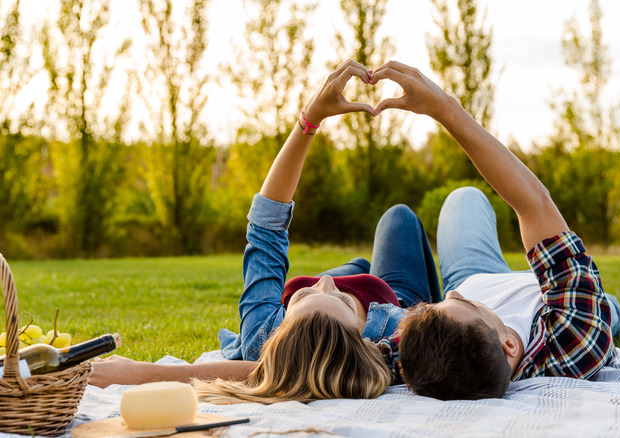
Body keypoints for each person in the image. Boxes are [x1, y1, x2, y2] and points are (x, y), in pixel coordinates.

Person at [89, 60, 440, 403]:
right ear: (365, 345)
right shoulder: (399, 338)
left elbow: (266, 225)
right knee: (398, 217)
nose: (325, 282)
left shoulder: (262, 335)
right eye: (343, 300)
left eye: (298, 299)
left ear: (280, 328)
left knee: (350, 269)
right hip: (393, 295)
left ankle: (340, 284)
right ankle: (352, 283)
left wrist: (310, 119)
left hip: (312, 323)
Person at [362, 61, 620, 400]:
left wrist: (310, 121)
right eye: (463, 305)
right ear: (509, 345)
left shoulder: (419, 357)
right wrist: (445, 109)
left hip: (475, 275)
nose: (448, 295)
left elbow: (332, 360)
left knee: (463, 197)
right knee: (610, 310)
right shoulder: (575, 339)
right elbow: (533, 202)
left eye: (435, 307)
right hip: (550, 297)